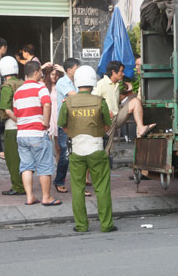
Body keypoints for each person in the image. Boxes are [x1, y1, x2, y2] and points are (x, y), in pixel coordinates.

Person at [58, 65, 117, 233]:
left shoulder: (67, 102)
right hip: (96, 148)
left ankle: (81, 225)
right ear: (93, 82)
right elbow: (107, 125)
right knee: (102, 188)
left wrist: (75, 134)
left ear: (76, 82)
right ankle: (106, 225)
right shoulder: (100, 101)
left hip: (76, 150)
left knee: (77, 188)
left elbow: (62, 125)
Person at [13, 61, 61, 206]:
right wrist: (45, 122)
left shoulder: (18, 91)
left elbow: (16, 113)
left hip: (21, 134)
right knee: (44, 166)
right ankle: (46, 197)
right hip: (38, 133)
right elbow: (47, 104)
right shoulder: (41, 88)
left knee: (26, 166)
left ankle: (30, 197)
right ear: (35, 72)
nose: (41, 74)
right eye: (40, 71)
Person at [93, 61, 156, 155]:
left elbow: (115, 99)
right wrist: (104, 112)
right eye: (121, 71)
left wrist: (128, 94)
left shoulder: (117, 84)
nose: (123, 74)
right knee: (106, 149)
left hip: (116, 116)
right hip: (106, 120)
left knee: (136, 102)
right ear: (113, 72)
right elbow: (93, 101)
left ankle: (141, 128)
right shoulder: (101, 84)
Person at [0, 56, 26, 196]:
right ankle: (24, 184)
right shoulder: (23, 83)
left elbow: (6, 110)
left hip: (12, 127)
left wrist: (18, 121)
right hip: (27, 125)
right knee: (24, 158)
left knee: (12, 159)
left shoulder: (7, 87)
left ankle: (18, 186)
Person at [54, 58, 79, 193]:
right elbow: (74, 96)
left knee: (78, 153)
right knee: (66, 153)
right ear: (69, 70)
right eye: (76, 68)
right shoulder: (63, 82)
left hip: (78, 122)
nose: (78, 70)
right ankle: (59, 180)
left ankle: (79, 183)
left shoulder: (78, 81)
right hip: (66, 125)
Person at [42, 65, 64, 170]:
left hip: (58, 115)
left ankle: (58, 165)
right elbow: (29, 79)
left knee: (58, 146)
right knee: (47, 144)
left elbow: (71, 83)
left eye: (57, 74)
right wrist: (42, 67)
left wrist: (63, 70)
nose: (55, 77)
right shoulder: (43, 86)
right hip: (48, 115)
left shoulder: (61, 85)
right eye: (52, 74)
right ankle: (47, 166)